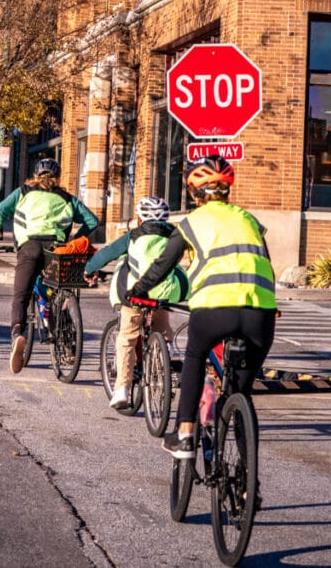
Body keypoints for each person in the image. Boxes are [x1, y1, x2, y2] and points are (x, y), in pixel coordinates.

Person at [128, 155, 277, 459]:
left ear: (195, 193)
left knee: (195, 355)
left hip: (214, 309)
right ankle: (248, 484)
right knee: (240, 394)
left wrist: (137, 290)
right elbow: (266, 265)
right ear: (226, 191)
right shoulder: (249, 220)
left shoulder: (190, 223)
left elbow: (162, 265)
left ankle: (184, 435)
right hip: (260, 312)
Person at [0, 158, 100, 374]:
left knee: (21, 295)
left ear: (35, 176)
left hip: (29, 248)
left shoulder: (23, 192)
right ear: (57, 178)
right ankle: (67, 343)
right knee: (58, 292)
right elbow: (93, 221)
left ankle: (17, 334)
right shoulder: (67, 198)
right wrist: (76, 238)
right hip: (57, 250)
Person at [84, 196, 188, 409]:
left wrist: (88, 269)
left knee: (127, 337)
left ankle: (122, 388)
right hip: (164, 292)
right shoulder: (175, 236)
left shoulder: (133, 236)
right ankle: (166, 358)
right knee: (162, 325)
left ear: (140, 219)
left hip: (136, 294)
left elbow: (107, 254)